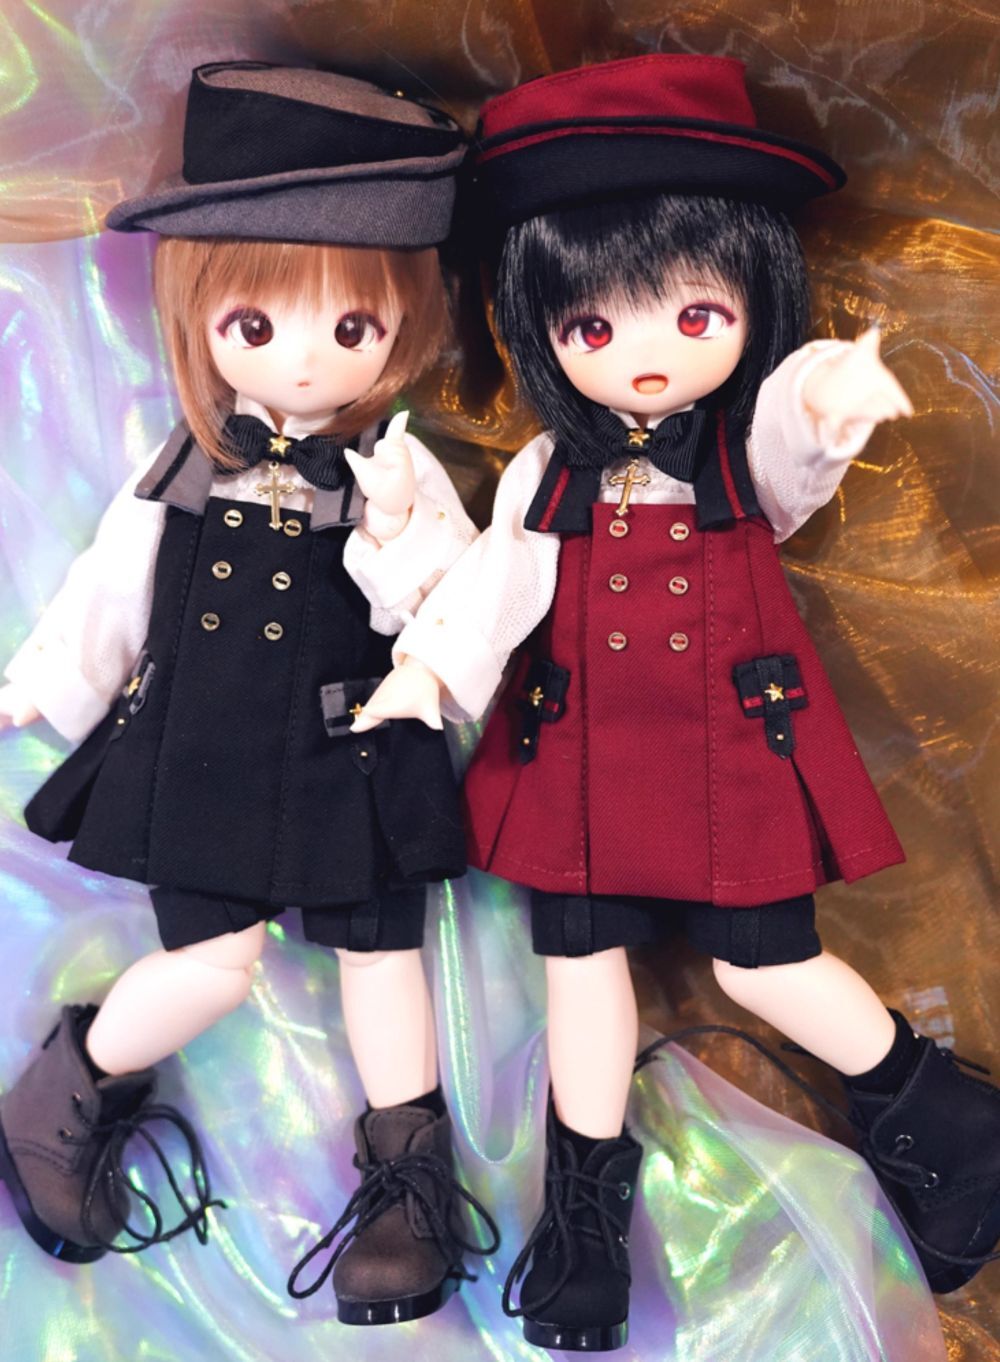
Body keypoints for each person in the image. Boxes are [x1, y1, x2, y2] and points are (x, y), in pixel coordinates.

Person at [353, 54, 1000, 1350]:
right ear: (540, 331)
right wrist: (426, 674)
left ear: (757, 296)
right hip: (577, 745)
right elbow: (501, 584)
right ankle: (584, 1219)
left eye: (694, 314)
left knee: (765, 961)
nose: (645, 359)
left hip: (730, 744)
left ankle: (948, 1115)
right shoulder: (549, 469)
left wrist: (823, 398)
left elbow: (795, 451)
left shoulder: (742, 451)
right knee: (578, 963)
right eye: (594, 330)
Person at [0, 60, 499, 1325]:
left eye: (352, 328)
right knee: (213, 963)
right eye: (258, 326)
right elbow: (113, 586)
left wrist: (399, 530)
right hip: (204, 748)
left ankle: (409, 1187)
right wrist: (38, 682)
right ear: (201, 315)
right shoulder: (182, 467)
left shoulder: (391, 472)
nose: (306, 360)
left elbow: (449, 604)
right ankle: (54, 1099)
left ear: (401, 326)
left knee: (380, 954)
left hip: (353, 743)